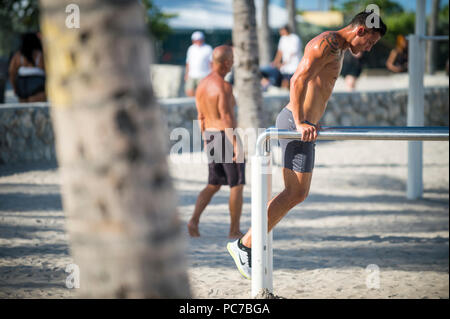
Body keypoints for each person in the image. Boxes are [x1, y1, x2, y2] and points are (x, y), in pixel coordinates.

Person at [227, 11, 387, 279]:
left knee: (297, 193)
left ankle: (247, 243)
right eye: (370, 42)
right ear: (360, 30)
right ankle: (244, 245)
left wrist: (309, 121)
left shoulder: (340, 49)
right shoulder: (325, 43)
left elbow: (317, 86)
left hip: (303, 126)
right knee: (293, 192)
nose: (369, 48)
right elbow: (298, 79)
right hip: (294, 123)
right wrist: (301, 121)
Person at [188, 45, 245, 239]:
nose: (233, 65)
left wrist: (205, 138)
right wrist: (237, 145)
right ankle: (234, 229)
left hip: (211, 135)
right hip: (224, 136)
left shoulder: (202, 85)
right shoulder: (224, 86)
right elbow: (227, 118)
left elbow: (200, 115)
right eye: (232, 61)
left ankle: (193, 221)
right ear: (227, 63)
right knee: (236, 183)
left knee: (213, 183)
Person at [8, 32, 47, 102]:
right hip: (38, 83)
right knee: (39, 110)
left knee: (24, 110)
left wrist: (15, 87)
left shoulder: (18, 56)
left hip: (22, 84)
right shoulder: (40, 55)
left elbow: (12, 72)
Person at [184, 31, 213, 97]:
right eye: (196, 40)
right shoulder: (191, 48)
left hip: (204, 74)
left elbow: (211, 62)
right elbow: (188, 62)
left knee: (202, 93)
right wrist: (186, 73)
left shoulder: (208, 48)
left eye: (199, 39)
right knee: (189, 91)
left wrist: (212, 74)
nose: (197, 41)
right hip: (191, 74)